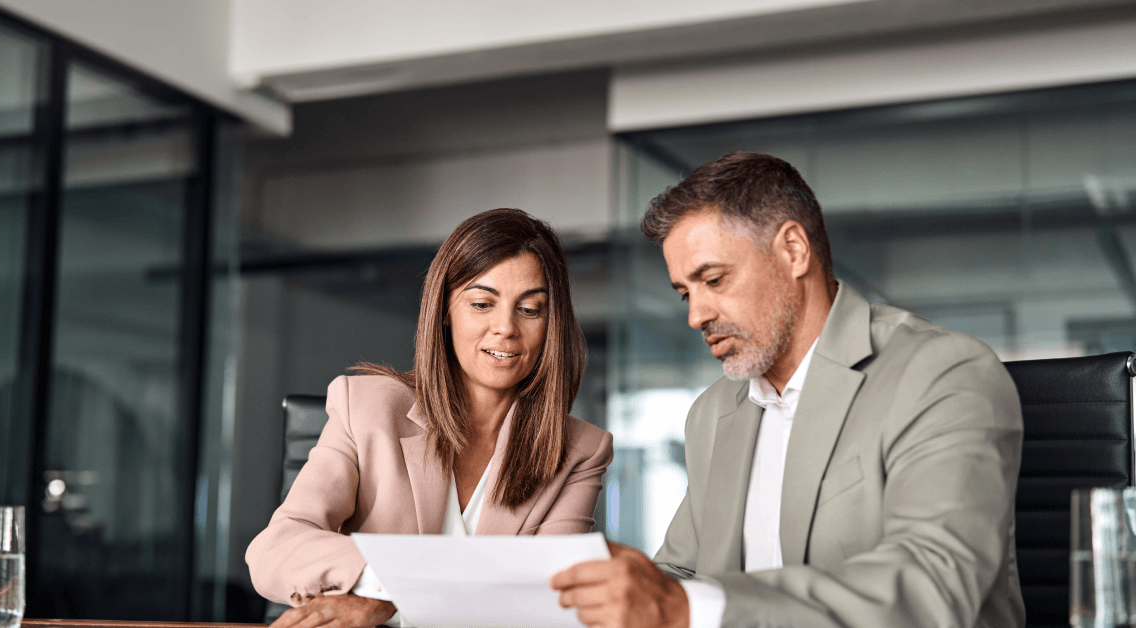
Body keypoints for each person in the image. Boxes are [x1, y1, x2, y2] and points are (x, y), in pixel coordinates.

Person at [550, 152, 1024, 628]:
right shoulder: (713, 414)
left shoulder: (940, 373)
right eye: (684, 293)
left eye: (714, 279)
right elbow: (681, 574)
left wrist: (686, 607)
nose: (696, 315)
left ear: (794, 250)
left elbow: (932, 586)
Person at [248, 208, 614, 628]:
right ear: (445, 311)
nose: (505, 328)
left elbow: (550, 600)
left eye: (530, 309)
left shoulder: (582, 451)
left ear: (552, 323)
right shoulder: (365, 407)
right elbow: (275, 549)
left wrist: (403, 595)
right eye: (481, 304)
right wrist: (385, 588)